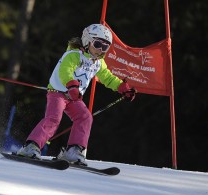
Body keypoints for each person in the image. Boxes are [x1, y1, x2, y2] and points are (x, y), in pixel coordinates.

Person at [17, 24, 136, 166]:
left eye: (105, 47)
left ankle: (73, 151)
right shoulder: (73, 55)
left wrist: (123, 87)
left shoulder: (98, 63)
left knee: (85, 117)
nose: (100, 50)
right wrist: (71, 85)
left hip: (74, 97)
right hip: (59, 93)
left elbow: (107, 78)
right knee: (54, 118)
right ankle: (31, 146)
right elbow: (65, 71)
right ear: (87, 41)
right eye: (98, 44)